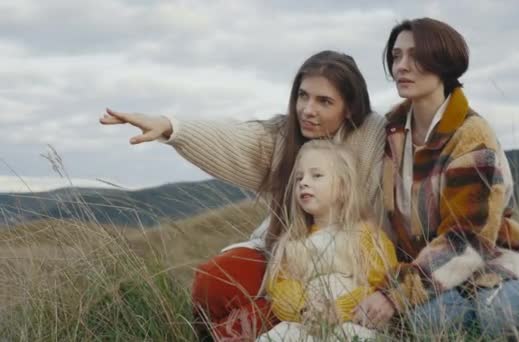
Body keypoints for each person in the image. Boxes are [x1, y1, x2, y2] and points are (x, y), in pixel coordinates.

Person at [99, 50, 387, 340]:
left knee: (240, 328)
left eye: (324, 101)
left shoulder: (373, 138)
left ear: (349, 107)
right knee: (214, 280)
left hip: (346, 270)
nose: (307, 109)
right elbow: (237, 139)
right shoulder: (285, 136)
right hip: (287, 258)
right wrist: (171, 127)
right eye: (303, 96)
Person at [352, 18, 519, 337]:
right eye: (396, 56)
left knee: (498, 316)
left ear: (443, 61)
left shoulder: (471, 133)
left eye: (415, 56)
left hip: (490, 266)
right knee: (434, 322)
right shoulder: (391, 130)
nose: (401, 66)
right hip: (429, 275)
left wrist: (396, 293)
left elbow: (467, 238)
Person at [257, 140, 397, 342]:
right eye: (299, 178)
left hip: (354, 322)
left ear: (343, 187)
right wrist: (305, 310)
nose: (304, 182)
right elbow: (281, 289)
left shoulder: (365, 234)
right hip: (306, 324)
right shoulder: (293, 244)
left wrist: (340, 309)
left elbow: (383, 283)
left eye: (317, 176)